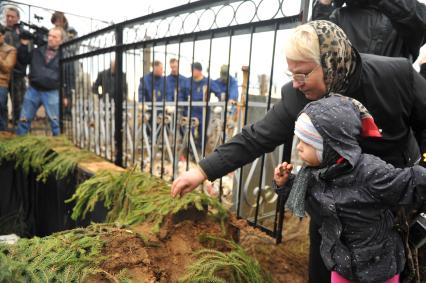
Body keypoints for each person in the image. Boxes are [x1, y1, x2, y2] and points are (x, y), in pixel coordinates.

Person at [171, 20, 426, 283]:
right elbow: (256, 136)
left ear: (330, 63)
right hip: (331, 216)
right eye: (291, 74)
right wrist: (202, 170)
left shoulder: (396, 77)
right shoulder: (299, 97)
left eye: (302, 74)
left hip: (394, 209)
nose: (295, 84)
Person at [273, 95, 426, 283]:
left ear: (333, 145)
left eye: (307, 143)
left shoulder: (370, 173)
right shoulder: (315, 174)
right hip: (341, 263)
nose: (299, 148)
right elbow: (306, 197)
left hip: (379, 267)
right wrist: (285, 183)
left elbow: (410, 182)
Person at [312, 0, 426, 61]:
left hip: (388, 97)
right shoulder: (337, 14)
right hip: (342, 99)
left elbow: (418, 22)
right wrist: (323, 4)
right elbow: (316, 48)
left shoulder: (409, 14)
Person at [16, 27, 65, 136]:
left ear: (61, 40)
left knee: (56, 123)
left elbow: (68, 76)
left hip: (52, 91)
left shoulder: (64, 55)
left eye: (54, 37)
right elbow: (23, 60)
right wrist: (23, 45)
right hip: (34, 90)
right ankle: (19, 145)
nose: (50, 38)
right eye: (49, 36)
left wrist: (66, 95)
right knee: (24, 120)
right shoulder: (37, 51)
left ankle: (59, 148)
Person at [3, 6, 31, 126]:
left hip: (18, 74)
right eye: (7, 16)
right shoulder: (2, 31)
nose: (9, 19)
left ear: (18, 18)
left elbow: (27, 52)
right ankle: (3, 128)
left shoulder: (23, 33)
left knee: (19, 103)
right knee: (1, 102)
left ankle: (18, 128)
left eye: (12, 16)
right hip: (3, 73)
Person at [0, 25, 16, 131]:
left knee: (1, 109)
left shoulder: (10, 49)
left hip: (1, 84)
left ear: (2, 36)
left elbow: (6, 68)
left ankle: (2, 133)